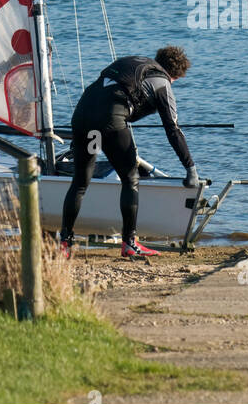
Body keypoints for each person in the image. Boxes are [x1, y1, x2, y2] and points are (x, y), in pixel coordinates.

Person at [59, 46, 199, 259]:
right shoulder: (163, 84)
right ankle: (129, 243)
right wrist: (190, 168)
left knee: (80, 182)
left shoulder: (134, 61)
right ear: (175, 76)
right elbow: (172, 130)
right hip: (110, 121)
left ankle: (65, 244)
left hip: (83, 116)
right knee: (130, 178)